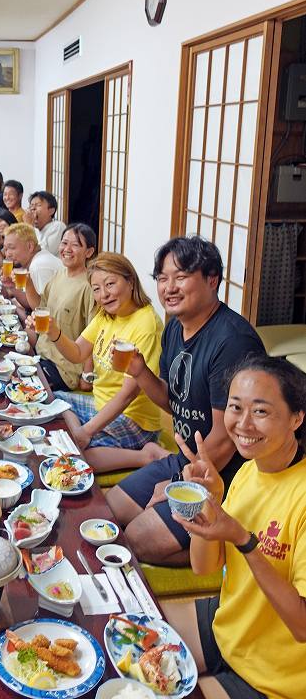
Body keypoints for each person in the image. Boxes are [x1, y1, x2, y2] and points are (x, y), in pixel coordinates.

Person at [107, 236, 265, 565]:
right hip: (186, 459)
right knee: (108, 511)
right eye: (163, 279)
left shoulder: (233, 342)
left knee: (136, 539)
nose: (169, 288)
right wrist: (139, 371)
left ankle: (227, 551)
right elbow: (172, 401)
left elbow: (227, 439)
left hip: (224, 476)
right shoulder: (175, 329)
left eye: (180, 277)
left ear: (212, 280)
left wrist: (175, 484)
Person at [161, 354, 306, 699]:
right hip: (231, 624)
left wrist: (244, 540)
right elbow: (204, 567)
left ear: (297, 418)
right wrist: (204, 501)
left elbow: (302, 626)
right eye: (235, 407)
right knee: (133, 633)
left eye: (260, 411)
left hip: (275, 676)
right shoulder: (249, 470)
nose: (243, 424)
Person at [37, 252, 168, 472]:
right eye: (96, 289)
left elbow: (128, 394)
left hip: (134, 419)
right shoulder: (106, 315)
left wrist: (86, 432)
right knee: (53, 399)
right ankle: (81, 434)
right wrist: (54, 332)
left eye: (110, 284)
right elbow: (78, 352)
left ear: (130, 280)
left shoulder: (146, 323)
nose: (104, 294)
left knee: (78, 459)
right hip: (99, 404)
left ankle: (146, 456)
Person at [25, 224, 96, 393]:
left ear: (89, 252)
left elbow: (94, 334)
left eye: (76, 245)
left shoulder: (90, 286)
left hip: (64, 368)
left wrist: (87, 375)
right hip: (42, 353)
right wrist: (28, 283)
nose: (67, 249)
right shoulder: (59, 275)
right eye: (64, 243)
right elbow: (39, 307)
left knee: (22, 390)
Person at [1, 223, 62, 310]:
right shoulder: (37, 259)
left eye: (12, 248)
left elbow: (42, 310)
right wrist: (12, 286)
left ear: (30, 246)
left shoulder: (39, 266)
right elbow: (31, 302)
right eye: (6, 249)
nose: (7, 254)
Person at [28, 191, 66, 255]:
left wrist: (28, 226)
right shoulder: (33, 229)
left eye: (38, 205)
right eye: (31, 205)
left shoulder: (58, 226)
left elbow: (45, 253)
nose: (33, 208)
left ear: (51, 211)